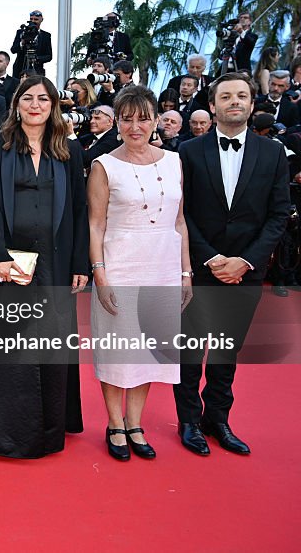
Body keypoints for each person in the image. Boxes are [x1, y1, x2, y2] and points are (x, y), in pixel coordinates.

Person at [0, 76, 89, 458]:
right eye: (28, 98)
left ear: (54, 105)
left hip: (54, 260)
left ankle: (48, 430)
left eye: (43, 99)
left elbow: (79, 211)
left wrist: (79, 261)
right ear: (16, 104)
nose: (35, 105)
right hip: (7, 262)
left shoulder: (69, 151)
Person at [173, 72, 290, 457]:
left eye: (242, 95)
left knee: (227, 351)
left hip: (246, 271)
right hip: (199, 266)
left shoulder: (272, 153)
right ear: (213, 105)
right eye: (226, 96)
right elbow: (181, 211)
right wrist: (211, 257)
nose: (234, 101)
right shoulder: (188, 152)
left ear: (252, 104)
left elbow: (278, 215)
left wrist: (246, 261)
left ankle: (217, 419)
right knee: (190, 351)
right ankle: (188, 420)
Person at [87, 86, 191, 462]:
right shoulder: (104, 165)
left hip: (162, 264)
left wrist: (186, 272)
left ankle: (136, 422)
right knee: (118, 349)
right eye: (127, 118)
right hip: (120, 264)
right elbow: (95, 226)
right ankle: (115, 423)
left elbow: (179, 220)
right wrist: (100, 275)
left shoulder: (175, 161)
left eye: (143, 117)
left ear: (156, 120)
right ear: (117, 122)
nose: (136, 126)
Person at [9, 10, 53, 77]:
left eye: (36, 19)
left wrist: (36, 59)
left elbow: (49, 56)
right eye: (31, 19)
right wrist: (22, 43)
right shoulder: (21, 32)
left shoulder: (46, 36)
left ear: (41, 20)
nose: (33, 21)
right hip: (20, 68)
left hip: (37, 70)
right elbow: (13, 50)